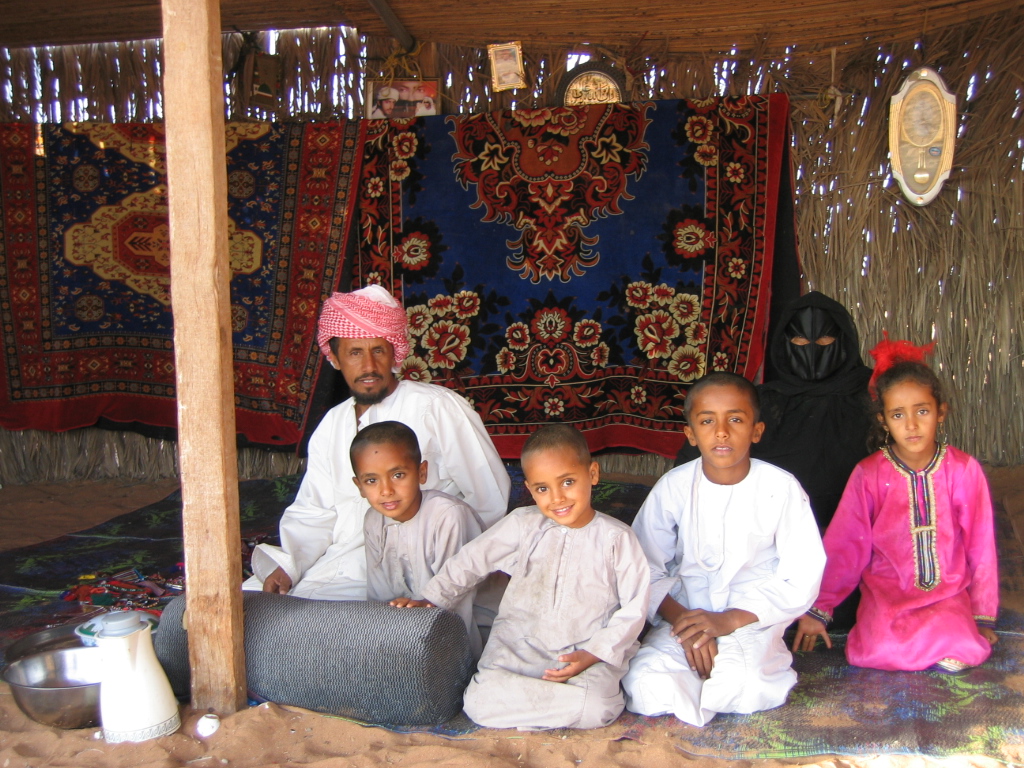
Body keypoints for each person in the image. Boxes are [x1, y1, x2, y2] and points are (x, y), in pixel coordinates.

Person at [245, 284, 510, 600]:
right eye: (355, 353)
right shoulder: (332, 424)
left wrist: (455, 577)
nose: (368, 367)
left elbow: (488, 498)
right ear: (336, 358)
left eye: (378, 351)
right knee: (244, 606)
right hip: (336, 562)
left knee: (317, 629)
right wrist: (289, 565)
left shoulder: (437, 407)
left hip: (418, 568)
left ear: (394, 353)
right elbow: (314, 510)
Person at [393, 424, 650, 730]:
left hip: (582, 655)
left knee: (596, 707)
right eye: (543, 489)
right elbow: (471, 561)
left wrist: (594, 653)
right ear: (529, 489)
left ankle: (540, 706)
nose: (557, 498)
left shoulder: (617, 538)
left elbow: (635, 606)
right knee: (477, 702)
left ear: (592, 474)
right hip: (521, 647)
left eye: (567, 482)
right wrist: (433, 598)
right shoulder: (522, 524)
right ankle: (552, 707)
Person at [623, 372, 825, 727]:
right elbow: (641, 566)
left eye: (735, 419)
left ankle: (723, 676)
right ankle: (695, 678)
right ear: (690, 434)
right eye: (707, 421)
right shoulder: (674, 487)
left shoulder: (781, 488)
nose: (721, 432)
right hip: (683, 615)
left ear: (756, 430)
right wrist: (686, 622)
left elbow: (802, 574)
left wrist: (727, 620)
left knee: (743, 686)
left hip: (749, 619)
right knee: (644, 684)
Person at [792, 336, 999, 673]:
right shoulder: (869, 473)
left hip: (946, 595)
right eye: (898, 415)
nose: (912, 425)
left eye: (922, 411)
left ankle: (949, 634)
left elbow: (981, 544)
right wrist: (820, 609)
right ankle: (922, 643)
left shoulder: (962, 470)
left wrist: (983, 615)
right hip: (887, 595)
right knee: (876, 650)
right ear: (884, 420)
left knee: (962, 643)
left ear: (941, 413)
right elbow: (847, 543)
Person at [354, 420, 486, 658]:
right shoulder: (373, 520)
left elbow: (455, 600)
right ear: (360, 486)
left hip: (469, 628)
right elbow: (380, 598)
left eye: (398, 475)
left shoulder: (448, 516)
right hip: (410, 629)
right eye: (372, 480)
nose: (386, 490)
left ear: (421, 472)